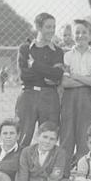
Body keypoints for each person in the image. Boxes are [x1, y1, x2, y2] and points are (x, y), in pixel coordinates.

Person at [60, 19, 91, 176]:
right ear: (72, 35)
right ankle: (63, 177)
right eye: (77, 32)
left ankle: (82, 177)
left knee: (85, 137)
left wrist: (76, 76)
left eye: (84, 32)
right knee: (66, 137)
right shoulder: (66, 56)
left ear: (90, 35)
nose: (80, 35)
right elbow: (65, 82)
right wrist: (87, 79)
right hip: (69, 99)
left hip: (87, 100)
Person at [16, 12, 64, 148]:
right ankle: (17, 167)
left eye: (54, 27)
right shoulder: (25, 48)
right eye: (48, 27)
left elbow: (57, 75)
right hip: (28, 94)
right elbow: (25, 76)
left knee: (48, 135)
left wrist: (35, 65)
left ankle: (45, 168)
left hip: (49, 96)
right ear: (38, 27)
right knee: (23, 135)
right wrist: (48, 73)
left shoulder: (58, 51)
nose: (52, 30)